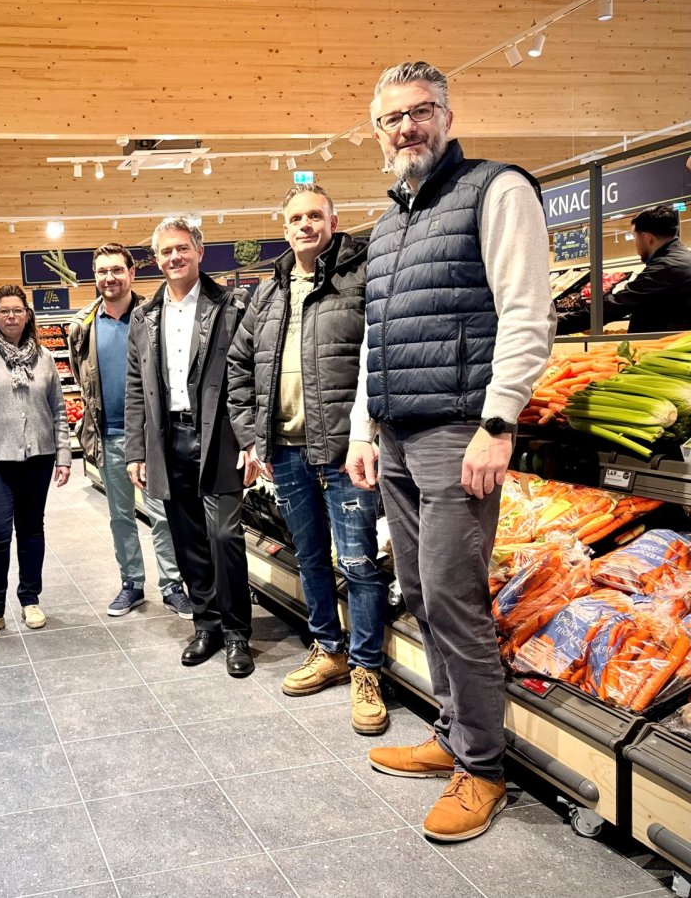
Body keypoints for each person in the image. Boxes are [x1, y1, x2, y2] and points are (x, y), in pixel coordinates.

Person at [346, 61, 556, 841]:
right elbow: (380, 335)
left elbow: (528, 312)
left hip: (458, 431)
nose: (408, 127)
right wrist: (367, 428)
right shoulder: (391, 221)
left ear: (447, 113)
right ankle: (449, 734)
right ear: (378, 130)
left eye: (422, 111)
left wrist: (498, 423)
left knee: (454, 598)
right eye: (393, 117)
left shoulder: (497, 189)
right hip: (398, 433)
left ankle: (482, 767)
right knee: (418, 591)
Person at [227, 183, 388, 733]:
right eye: (296, 217)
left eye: (315, 215)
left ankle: (367, 668)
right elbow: (238, 368)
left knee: (361, 563)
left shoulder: (359, 279)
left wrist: (370, 433)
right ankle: (328, 648)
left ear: (333, 220)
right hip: (286, 452)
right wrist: (252, 437)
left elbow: (380, 357)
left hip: (347, 452)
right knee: (312, 557)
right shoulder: (268, 293)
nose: (305, 225)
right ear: (285, 225)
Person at [124, 216, 257, 677]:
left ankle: (239, 633)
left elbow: (249, 373)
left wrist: (250, 436)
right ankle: (207, 625)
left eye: (182, 248)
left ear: (199, 252)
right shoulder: (144, 317)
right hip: (168, 435)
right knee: (187, 537)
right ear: (156, 259)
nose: (174, 257)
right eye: (165, 251)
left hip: (219, 432)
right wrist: (136, 450)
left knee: (224, 535)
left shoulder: (232, 304)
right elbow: (136, 388)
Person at [69, 243, 191, 619]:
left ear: (132, 273)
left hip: (153, 436)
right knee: (120, 516)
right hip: (109, 435)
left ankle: (172, 585)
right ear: (95, 276)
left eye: (117, 270)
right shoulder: (82, 325)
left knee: (162, 515)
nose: (110, 278)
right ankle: (131, 584)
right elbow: (82, 377)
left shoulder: (153, 316)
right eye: (102, 271)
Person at [0, 285, 71, 639]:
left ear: (28, 315)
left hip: (37, 457)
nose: (11, 316)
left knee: (31, 529)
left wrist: (64, 455)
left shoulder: (44, 357)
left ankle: (30, 598)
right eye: (4, 310)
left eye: (17, 310)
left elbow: (58, 410)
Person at [605, 204, 691, 332]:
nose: (635, 243)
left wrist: (564, 323)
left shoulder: (664, 268)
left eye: (635, 237)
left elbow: (617, 305)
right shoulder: (683, 258)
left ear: (647, 238)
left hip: (662, 347)